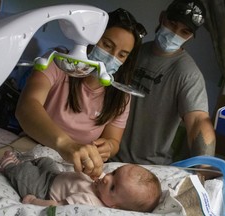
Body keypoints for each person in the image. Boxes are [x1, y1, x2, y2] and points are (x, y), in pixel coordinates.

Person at [15, 8, 147, 179]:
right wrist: (65, 144)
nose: (111, 57)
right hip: (35, 147)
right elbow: (27, 107)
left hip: (80, 162)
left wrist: (108, 147)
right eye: (107, 45)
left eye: (121, 55)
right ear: (90, 39)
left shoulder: (121, 94)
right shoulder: (58, 62)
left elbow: (113, 141)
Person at [110, 0, 216, 165]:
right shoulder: (132, 52)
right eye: (172, 24)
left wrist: (204, 169)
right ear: (162, 18)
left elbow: (198, 121)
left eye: (184, 31)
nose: (175, 34)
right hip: (108, 154)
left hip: (149, 167)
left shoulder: (187, 74)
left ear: (190, 37)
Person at [0, 151, 161, 212]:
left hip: (45, 188)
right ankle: (25, 159)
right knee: (47, 160)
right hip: (57, 175)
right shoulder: (102, 182)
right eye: (114, 173)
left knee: (24, 176)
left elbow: (57, 206)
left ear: (114, 206)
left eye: (113, 187)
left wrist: (34, 200)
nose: (107, 178)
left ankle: (11, 166)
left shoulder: (89, 201)